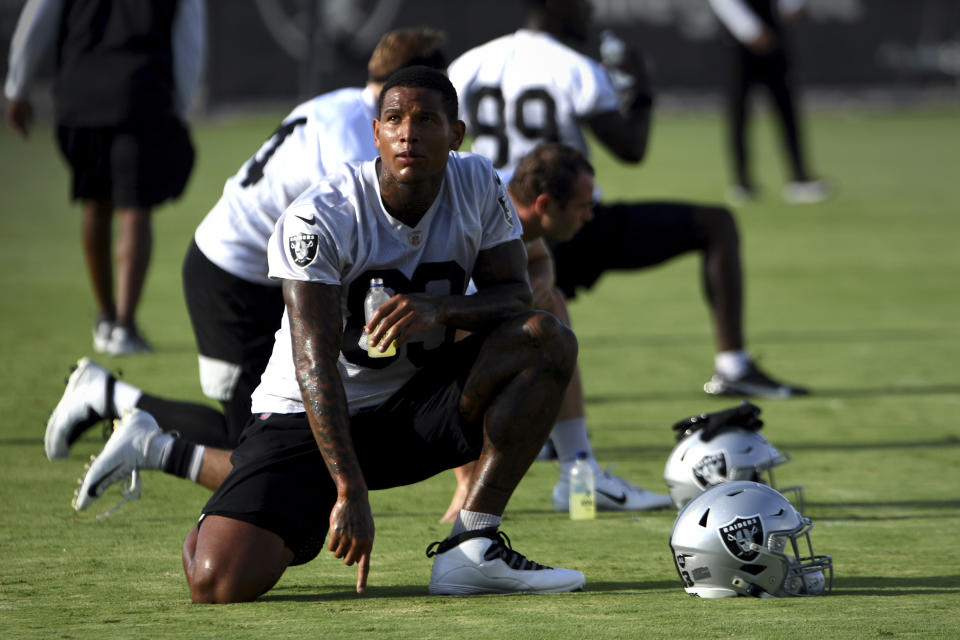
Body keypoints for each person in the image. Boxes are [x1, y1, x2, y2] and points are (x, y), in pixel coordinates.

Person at [79, 66, 587, 601]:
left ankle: (474, 544)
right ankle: (189, 467)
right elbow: (314, 362)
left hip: (414, 404)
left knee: (544, 337)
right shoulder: (321, 215)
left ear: (456, 134)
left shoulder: (478, 181)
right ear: (375, 133)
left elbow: (515, 296)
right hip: (309, 417)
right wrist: (348, 487)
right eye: (394, 119)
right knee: (216, 581)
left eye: (426, 120)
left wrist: (441, 308)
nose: (407, 133)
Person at [44, 28, 450, 470]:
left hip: (269, 272)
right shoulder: (354, 136)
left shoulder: (342, 110)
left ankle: (113, 401)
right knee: (259, 443)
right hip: (232, 276)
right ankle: (113, 404)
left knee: (289, 434)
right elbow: (350, 241)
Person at [447, 0, 808, 399]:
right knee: (715, 223)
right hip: (574, 223)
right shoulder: (573, 67)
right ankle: (734, 365)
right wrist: (641, 90)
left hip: (498, 225)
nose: (589, 12)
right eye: (582, 5)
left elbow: (448, 143)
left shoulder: (469, 64)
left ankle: (513, 406)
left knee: (522, 312)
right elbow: (630, 149)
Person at [441, 143, 672, 523]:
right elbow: (455, 328)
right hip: (393, 356)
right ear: (546, 205)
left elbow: (541, 259)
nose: (589, 215)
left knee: (554, 303)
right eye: (583, 205)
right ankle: (469, 482)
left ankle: (579, 477)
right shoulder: (484, 218)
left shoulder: (514, 217)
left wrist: (539, 287)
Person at [4, 0, 204, 355]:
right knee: (134, 208)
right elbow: (191, 38)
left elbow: (38, 18)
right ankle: (124, 326)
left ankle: (106, 317)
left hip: (80, 94)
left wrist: (17, 87)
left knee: (94, 202)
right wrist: (180, 106)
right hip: (140, 90)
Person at [708, 0, 829, 205]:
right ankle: (743, 183)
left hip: (774, 33)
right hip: (739, 42)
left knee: (786, 108)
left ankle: (799, 177)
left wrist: (793, 7)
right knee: (739, 113)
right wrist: (750, 30)